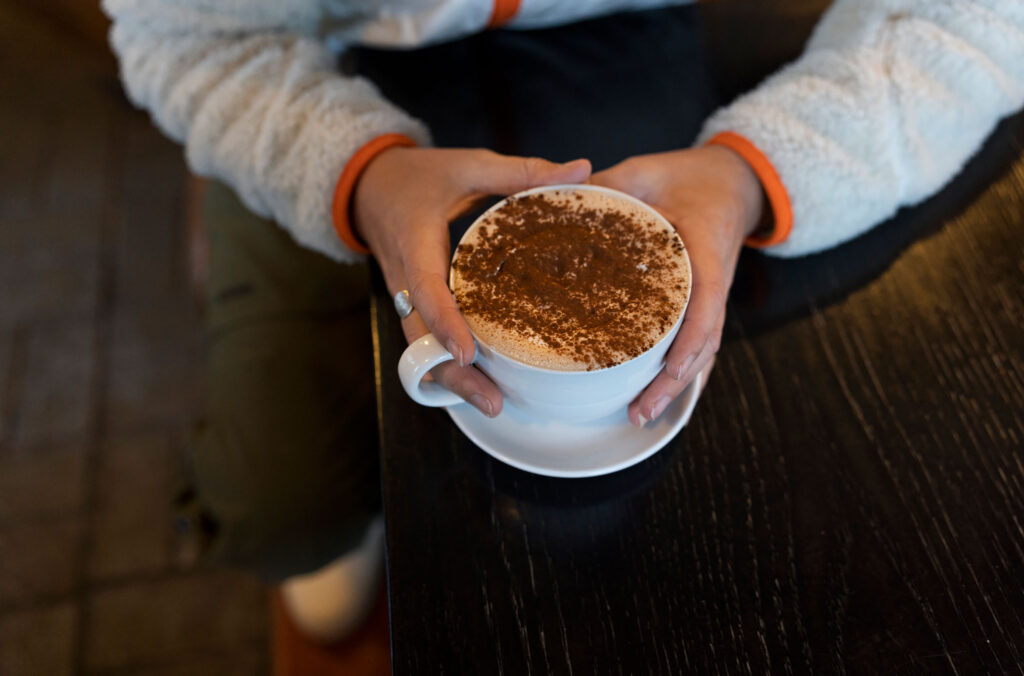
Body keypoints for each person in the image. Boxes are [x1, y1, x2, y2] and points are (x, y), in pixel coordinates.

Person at [103, 0, 1024, 643]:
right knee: (284, 504)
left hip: (616, 24)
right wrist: (354, 172)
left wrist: (753, 168)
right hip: (306, 55)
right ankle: (321, 523)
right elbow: (185, 35)